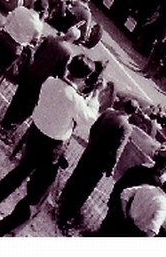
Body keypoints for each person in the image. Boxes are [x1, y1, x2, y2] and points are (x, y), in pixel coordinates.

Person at [0, 55, 100, 236]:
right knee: (37, 198)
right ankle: (4, 230)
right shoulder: (75, 100)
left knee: (17, 175)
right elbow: (88, 117)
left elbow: (66, 101)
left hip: (35, 133)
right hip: (52, 146)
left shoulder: (50, 82)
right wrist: (95, 96)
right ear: (85, 77)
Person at [57, 99, 136, 232]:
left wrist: (92, 144)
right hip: (100, 161)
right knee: (84, 189)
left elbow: (93, 129)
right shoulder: (126, 127)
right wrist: (111, 168)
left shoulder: (108, 113)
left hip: (90, 152)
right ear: (133, 113)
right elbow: (117, 149)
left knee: (76, 177)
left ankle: (61, 200)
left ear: (123, 105)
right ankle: (65, 216)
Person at [0, 27, 81, 132]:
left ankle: (4, 122)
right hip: (43, 81)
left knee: (18, 98)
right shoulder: (67, 52)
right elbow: (61, 72)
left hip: (32, 72)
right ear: (74, 39)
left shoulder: (51, 38)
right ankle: (10, 127)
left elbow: (36, 54)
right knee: (28, 107)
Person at [96, 146, 166, 236]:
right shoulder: (156, 184)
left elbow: (119, 185)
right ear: (165, 167)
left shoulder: (137, 168)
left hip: (117, 205)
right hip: (128, 218)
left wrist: (113, 202)